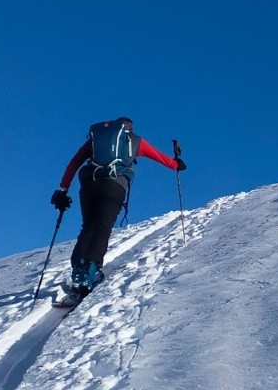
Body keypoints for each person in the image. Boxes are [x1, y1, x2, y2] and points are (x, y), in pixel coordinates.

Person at [49, 116, 185, 305]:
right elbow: (162, 158)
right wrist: (177, 163)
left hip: (90, 185)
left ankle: (78, 272)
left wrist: (63, 190)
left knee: (88, 226)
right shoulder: (135, 141)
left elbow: (74, 163)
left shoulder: (96, 140)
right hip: (115, 186)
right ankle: (89, 272)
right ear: (129, 127)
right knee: (103, 228)